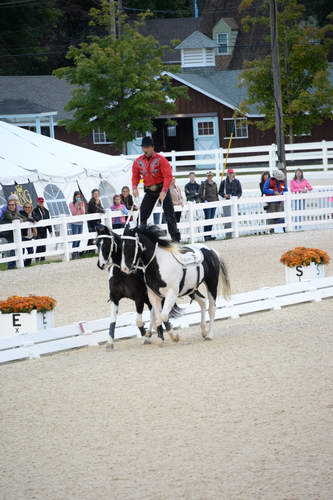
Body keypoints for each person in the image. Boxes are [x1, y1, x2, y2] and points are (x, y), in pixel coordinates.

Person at [132, 136, 180, 242]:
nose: (145, 149)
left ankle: (176, 240)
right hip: (149, 191)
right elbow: (135, 176)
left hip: (162, 188)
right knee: (142, 216)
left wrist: (164, 191)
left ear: (152, 147)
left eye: (147, 147)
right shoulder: (138, 161)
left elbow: (168, 176)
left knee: (169, 215)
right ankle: (143, 239)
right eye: (144, 147)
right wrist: (134, 187)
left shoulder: (161, 159)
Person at [0, 197, 24, 269]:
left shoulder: (16, 212)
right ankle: (10, 266)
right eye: (10, 205)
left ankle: (11, 266)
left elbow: (24, 218)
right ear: (8, 205)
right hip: (5, 233)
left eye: (13, 205)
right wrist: (20, 219)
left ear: (15, 205)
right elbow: (12, 219)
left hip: (12, 234)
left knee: (18, 249)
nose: (11, 206)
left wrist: (23, 219)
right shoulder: (6, 212)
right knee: (14, 249)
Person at [219, 168, 242, 239]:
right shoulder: (224, 182)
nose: (231, 174)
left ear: (234, 174)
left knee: (235, 218)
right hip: (227, 201)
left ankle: (235, 234)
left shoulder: (237, 181)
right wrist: (224, 195)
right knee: (227, 219)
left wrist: (237, 197)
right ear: (227, 174)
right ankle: (228, 235)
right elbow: (220, 192)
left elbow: (240, 192)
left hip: (235, 202)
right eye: (229, 173)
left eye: (232, 173)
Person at [199, 171, 219, 241]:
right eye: (208, 175)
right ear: (207, 176)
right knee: (208, 218)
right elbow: (200, 194)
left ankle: (209, 235)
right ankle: (206, 236)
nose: (209, 176)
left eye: (211, 175)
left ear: (212, 176)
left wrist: (217, 201)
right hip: (207, 203)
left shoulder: (214, 184)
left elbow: (216, 193)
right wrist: (204, 200)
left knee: (211, 219)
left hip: (214, 203)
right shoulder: (204, 184)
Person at [32, 197, 52, 262]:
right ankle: (37, 259)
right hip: (38, 230)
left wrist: (50, 230)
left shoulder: (46, 211)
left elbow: (48, 221)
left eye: (42, 202)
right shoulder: (35, 210)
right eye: (40, 202)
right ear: (37, 202)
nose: (41, 203)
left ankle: (43, 258)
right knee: (39, 244)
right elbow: (36, 218)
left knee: (44, 244)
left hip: (44, 229)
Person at [19, 202, 38, 267]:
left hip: (29, 236)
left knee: (31, 251)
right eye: (26, 207)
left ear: (31, 208)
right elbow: (24, 218)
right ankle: (20, 265)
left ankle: (27, 264)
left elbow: (38, 218)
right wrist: (32, 220)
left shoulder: (33, 213)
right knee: (22, 251)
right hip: (22, 236)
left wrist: (34, 226)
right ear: (23, 208)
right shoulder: (21, 213)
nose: (27, 208)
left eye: (29, 207)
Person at [69, 191, 86, 258]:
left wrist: (80, 206)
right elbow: (74, 213)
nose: (78, 198)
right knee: (75, 238)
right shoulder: (71, 204)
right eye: (77, 196)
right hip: (74, 223)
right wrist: (76, 205)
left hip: (80, 222)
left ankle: (77, 252)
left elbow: (83, 212)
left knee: (79, 238)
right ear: (74, 197)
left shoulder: (82, 203)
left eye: (79, 197)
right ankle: (74, 253)